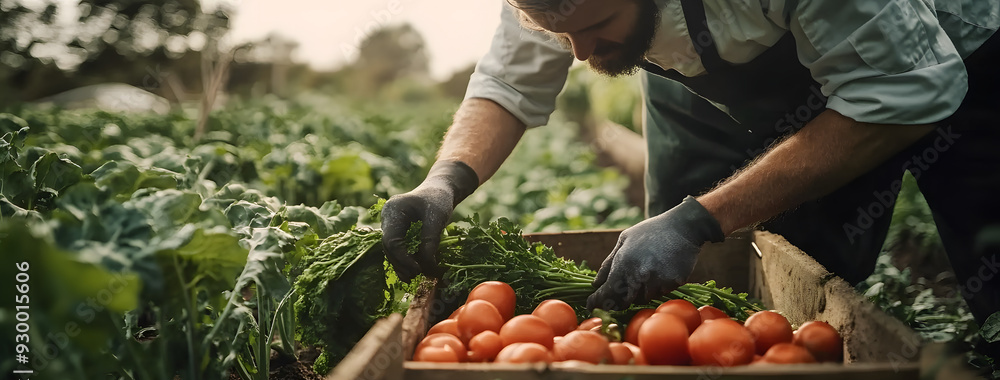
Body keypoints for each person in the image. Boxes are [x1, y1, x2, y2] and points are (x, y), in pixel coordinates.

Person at [381, 0, 1000, 323]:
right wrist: (444, 182)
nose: (580, 53)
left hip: (950, 56)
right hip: (713, 73)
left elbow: (901, 93)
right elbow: (508, 82)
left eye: (597, 25)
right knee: (750, 284)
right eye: (561, 35)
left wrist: (701, 219)